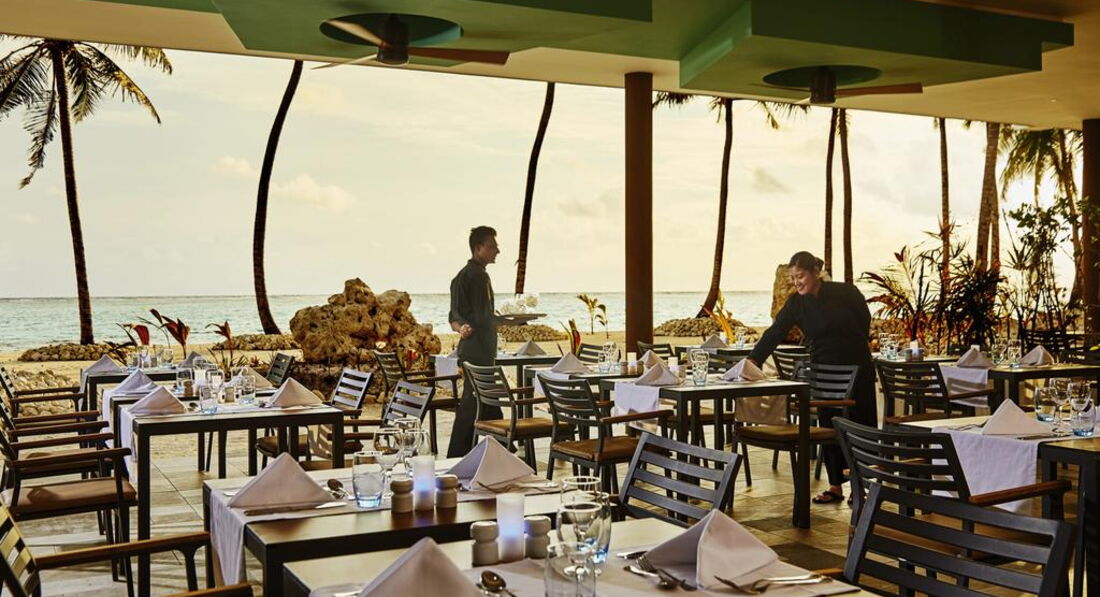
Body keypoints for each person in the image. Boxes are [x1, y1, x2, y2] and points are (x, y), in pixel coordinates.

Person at [746, 250, 874, 505]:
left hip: (856, 368)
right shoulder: (796, 303)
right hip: (823, 372)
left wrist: (848, 346)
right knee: (828, 427)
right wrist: (753, 360)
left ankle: (862, 486)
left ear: (816, 272)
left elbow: (864, 320)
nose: (797, 283)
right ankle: (835, 486)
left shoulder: (846, 292)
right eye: (793, 278)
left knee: (862, 427)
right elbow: (775, 332)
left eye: (801, 276)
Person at [446, 226, 518, 457]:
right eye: (492, 246)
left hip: (469, 350)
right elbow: (483, 317)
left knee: (484, 402)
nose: (497, 250)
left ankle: (500, 449)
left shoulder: (459, 277)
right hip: (480, 351)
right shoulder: (479, 276)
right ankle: (461, 455)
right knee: (473, 405)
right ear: (478, 249)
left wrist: (461, 328)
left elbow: (454, 317)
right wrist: (511, 320)